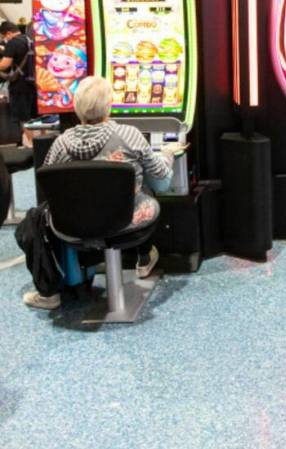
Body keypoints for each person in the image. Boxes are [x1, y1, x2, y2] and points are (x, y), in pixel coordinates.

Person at [23, 76, 180, 310]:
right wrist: (167, 153)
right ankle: (144, 255)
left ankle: (61, 285)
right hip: (125, 221)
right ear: (108, 105)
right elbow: (161, 179)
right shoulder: (129, 134)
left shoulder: (61, 143)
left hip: (71, 224)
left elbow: (48, 181)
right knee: (151, 187)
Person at [0, 21, 37, 147]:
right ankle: (42, 142)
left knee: (23, 117)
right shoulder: (29, 40)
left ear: (9, 33)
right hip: (32, 83)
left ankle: (32, 144)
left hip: (19, 86)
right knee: (35, 116)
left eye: (4, 36)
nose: (5, 39)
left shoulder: (12, 43)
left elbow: (5, 64)